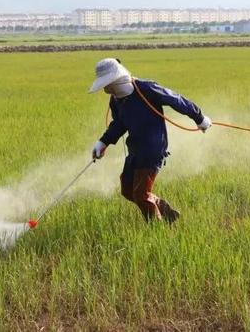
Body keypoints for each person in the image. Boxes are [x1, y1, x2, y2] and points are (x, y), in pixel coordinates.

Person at [89, 58, 212, 224]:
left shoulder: (146, 89)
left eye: (108, 85)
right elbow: (119, 123)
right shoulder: (116, 100)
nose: (106, 89)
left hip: (153, 149)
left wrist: (199, 118)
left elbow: (176, 100)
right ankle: (164, 210)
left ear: (116, 79)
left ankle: (157, 229)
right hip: (135, 149)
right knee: (127, 190)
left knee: (141, 194)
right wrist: (103, 142)